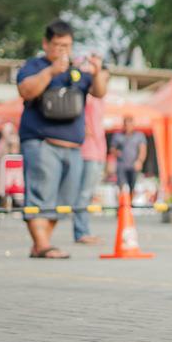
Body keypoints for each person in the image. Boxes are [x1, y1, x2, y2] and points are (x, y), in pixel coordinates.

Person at [16, 20, 109, 259]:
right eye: (57, 45)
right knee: (40, 196)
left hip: (74, 148)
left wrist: (97, 71)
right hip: (41, 142)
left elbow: (98, 92)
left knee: (63, 202)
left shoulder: (77, 70)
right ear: (46, 44)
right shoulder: (34, 66)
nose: (62, 50)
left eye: (66, 45)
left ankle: (41, 244)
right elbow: (26, 91)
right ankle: (44, 245)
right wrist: (50, 71)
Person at [72, 94, 106, 245]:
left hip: (98, 152)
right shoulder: (86, 95)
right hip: (87, 151)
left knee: (88, 194)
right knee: (84, 194)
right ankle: (81, 232)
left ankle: (84, 230)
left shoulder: (100, 98)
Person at [108, 117, 147, 194]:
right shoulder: (118, 135)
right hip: (121, 165)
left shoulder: (139, 136)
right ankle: (123, 204)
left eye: (130, 125)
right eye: (126, 125)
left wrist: (139, 161)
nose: (128, 127)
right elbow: (112, 149)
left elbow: (143, 150)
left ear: (133, 125)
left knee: (133, 187)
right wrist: (116, 152)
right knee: (121, 186)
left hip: (133, 165)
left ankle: (130, 204)